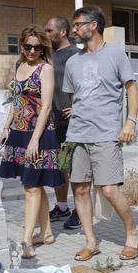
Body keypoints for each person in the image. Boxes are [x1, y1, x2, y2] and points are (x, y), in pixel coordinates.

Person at [63, 6, 138, 262]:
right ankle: (91, 241)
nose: (74, 29)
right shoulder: (73, 62)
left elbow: (131, 88)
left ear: (93, 25)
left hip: (106, 133)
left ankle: (132, 234)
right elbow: (74, 97)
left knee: (108, 189)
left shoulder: (116, 54)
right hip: (77, 135)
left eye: (78, 25)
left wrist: (130, 121)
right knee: (81, 190)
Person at [0, 25, 64, 259]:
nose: (33, 51)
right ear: (22, 45)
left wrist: (35, 139)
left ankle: (27, 239)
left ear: (42, 47)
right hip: (19, 131)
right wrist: (7, 126)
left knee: (31, 187)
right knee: (35, 184)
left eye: (37, 47)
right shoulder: (19, 66)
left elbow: (46, 107)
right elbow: (15, 100)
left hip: (39, 133)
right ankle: (46, 233)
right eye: (28, 46)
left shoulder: (45, 69)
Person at [43, 16, 79, 228]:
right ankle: (62, 207)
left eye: (49, 31)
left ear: (62, 32)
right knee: (59, 166)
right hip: (52, 121)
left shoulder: (76, 54)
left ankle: (79, 211)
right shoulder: (48, 56)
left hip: (72, 123)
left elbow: (87, 84)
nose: (46, 34)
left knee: (76, 168)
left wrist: (77, 108)